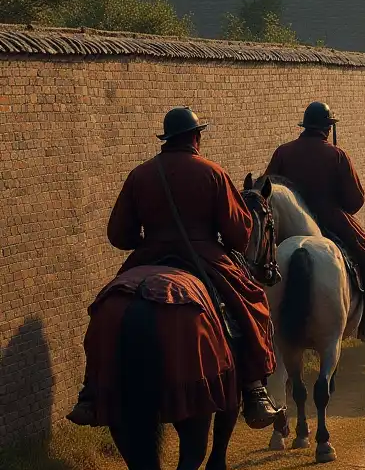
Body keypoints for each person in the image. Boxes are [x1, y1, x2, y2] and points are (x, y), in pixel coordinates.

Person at [67, 107, 281, 429]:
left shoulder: (141, 174)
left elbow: (118, 235)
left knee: (105, 309)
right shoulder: (213, 173)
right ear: (196, 138)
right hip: (205, 257)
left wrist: (148, 237)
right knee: (253, 303)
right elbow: (240, 235)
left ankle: (91, 393)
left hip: (148, 256)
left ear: (166, 140)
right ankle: (254, 390)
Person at [266, 102, 365, 342]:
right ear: (327, 128)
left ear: (305, 126)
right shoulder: (336, 154)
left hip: (288, 221)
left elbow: (268, 186)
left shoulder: (283, 151)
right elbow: (355, 200)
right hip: (331, 218)